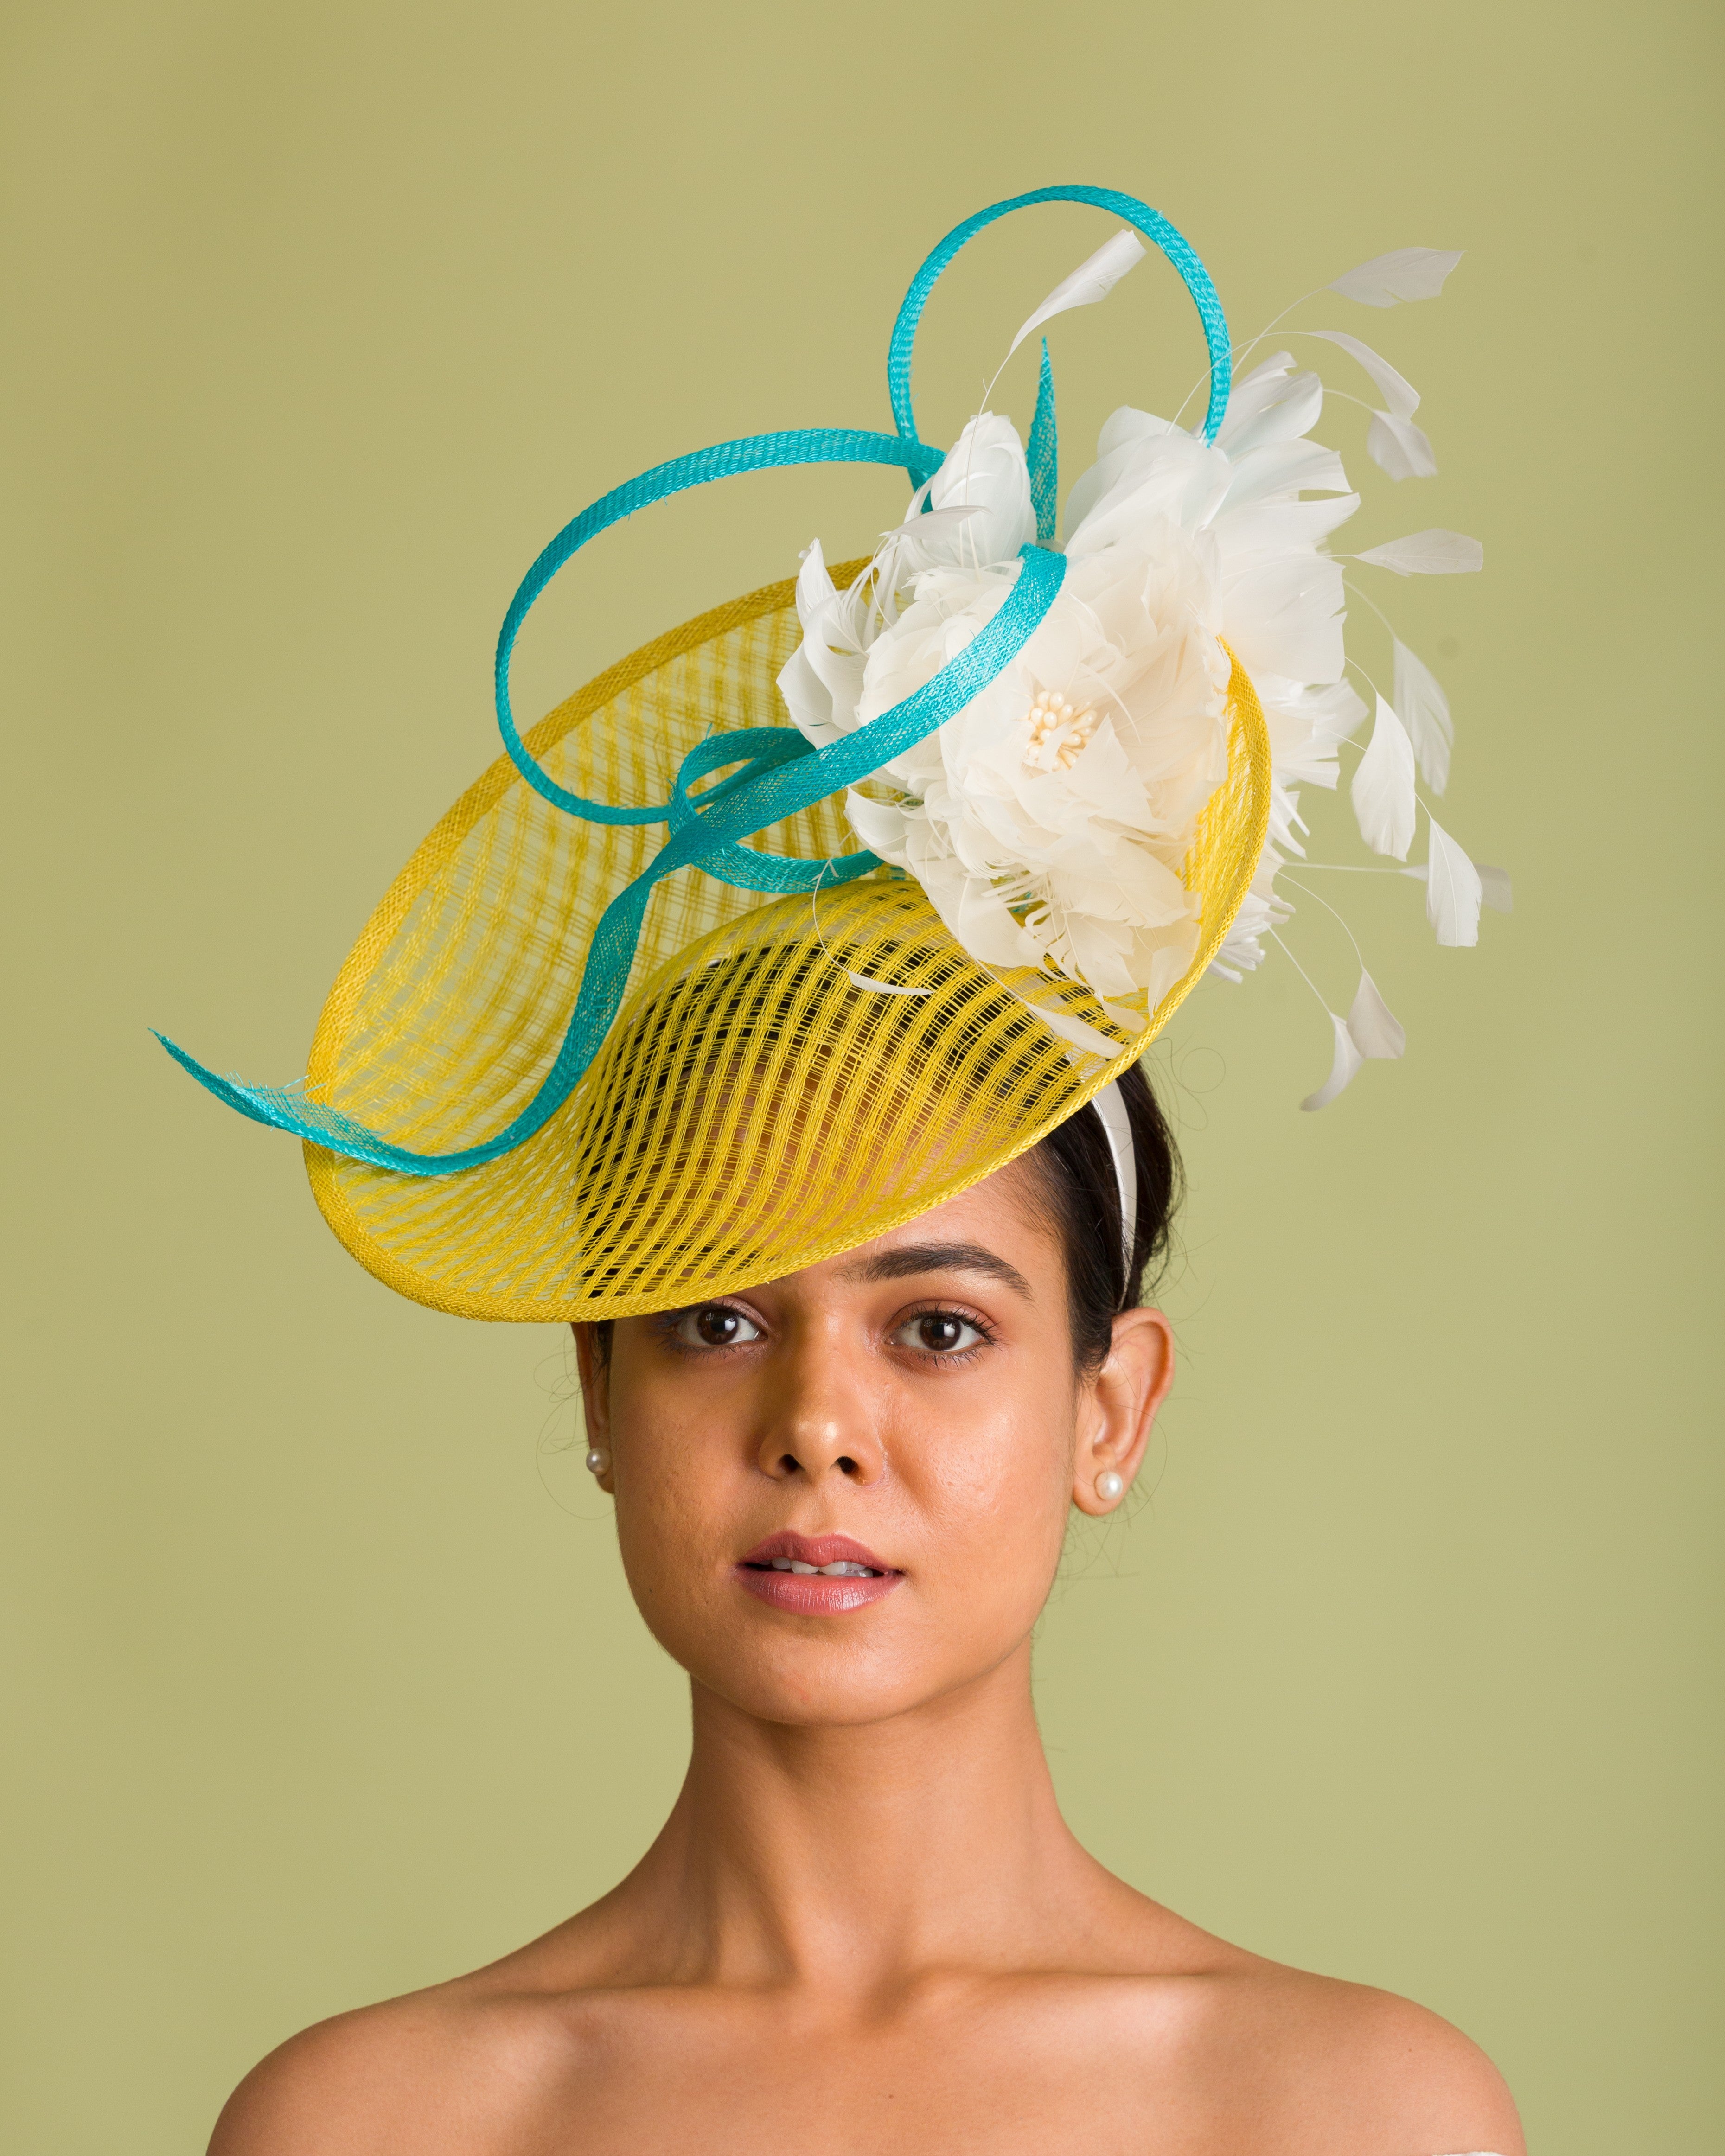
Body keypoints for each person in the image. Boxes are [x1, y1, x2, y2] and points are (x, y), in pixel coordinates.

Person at [168, 187, 1518, 2153]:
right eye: (715, 1317)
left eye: (939, 1325)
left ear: (1110, 1404)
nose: (817, 1422)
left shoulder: (1351, 2113)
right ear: (596, 1386)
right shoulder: (371, 2124)